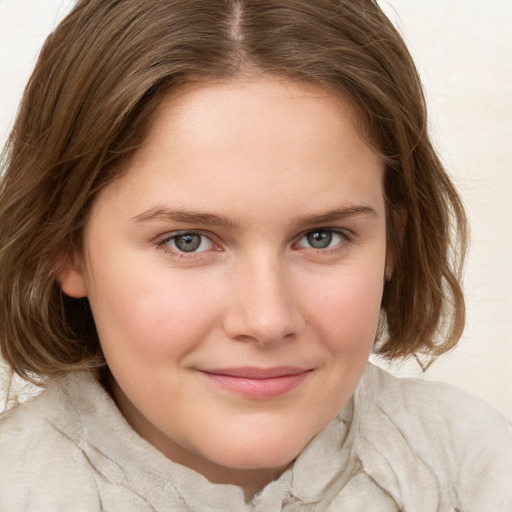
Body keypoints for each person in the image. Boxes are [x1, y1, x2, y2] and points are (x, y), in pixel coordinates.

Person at [0, 0, 510, 510]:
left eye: (322, 237)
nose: (267, 320)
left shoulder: (478, 468)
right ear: (63, 246)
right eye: (188, 241)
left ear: (393, 242)